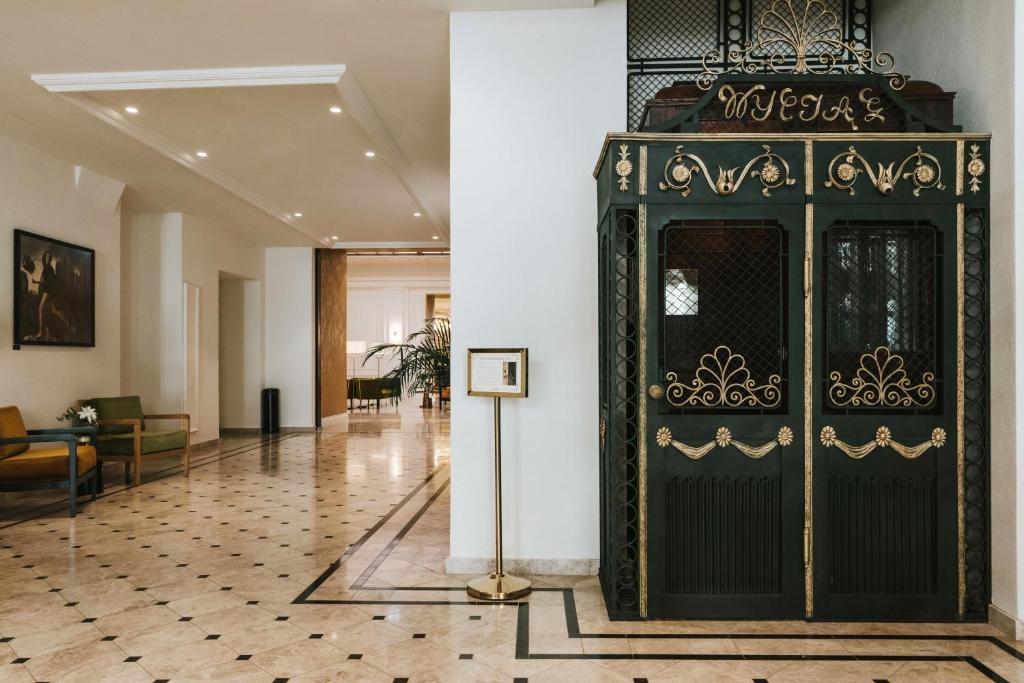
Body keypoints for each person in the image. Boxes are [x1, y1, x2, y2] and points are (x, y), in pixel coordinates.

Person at [30, 251, 72, 340]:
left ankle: (41, 332)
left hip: (48, 291)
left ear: (50, 258)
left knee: (40, 308)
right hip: (50, 290)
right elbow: (44, 281)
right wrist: (36, 282)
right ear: (44, 257)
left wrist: (47, 290)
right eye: (46, 256)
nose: (47, 257)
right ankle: (67, 322)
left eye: (49, 256)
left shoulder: (48, 267)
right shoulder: (47, 268)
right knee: (53, 309)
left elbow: (51, 281)